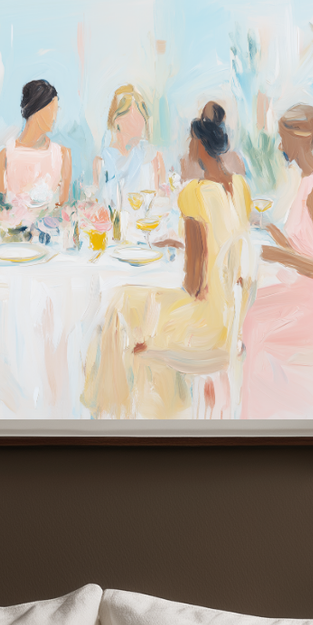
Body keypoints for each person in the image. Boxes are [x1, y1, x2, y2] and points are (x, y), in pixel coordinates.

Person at [82, 102, 255, 417]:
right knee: (131, 306)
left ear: (201, 148)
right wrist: (184, 241)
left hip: (202, 326)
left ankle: (110, 412)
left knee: (118, 309)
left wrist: (189, 248)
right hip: (229, 322)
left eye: (190, 146)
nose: (185, 153)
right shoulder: (240, 189)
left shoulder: (194, 194)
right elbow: (225, 243)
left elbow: (193, 285)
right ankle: (156, 410)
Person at [240, 102, 313, 419]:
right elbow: (306, 246)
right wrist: (271, 230)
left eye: (284, 138)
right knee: (249, 308)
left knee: (255, 321)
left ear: (301, 137)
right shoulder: (310, 181)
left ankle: (259, 416)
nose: (281, 146)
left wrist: (281, 254)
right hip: (308, 291)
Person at [0, 79, 72, 212]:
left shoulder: (62, 155)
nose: (54, 117)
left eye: (56, 110)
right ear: (36, 111)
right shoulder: (4, 157)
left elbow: (63, 210)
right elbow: (1, 210)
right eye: (51, 110)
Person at [96, 83, 164, 203]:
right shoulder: (103, 162)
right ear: (117, 121)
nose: (140, 124)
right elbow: (98, 205)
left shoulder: (151, 156)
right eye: (134, 117)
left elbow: (159, 200)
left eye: (141, 116)